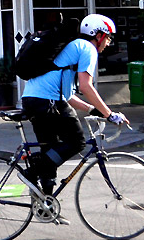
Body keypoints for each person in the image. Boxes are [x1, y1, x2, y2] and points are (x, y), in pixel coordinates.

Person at [19, 14, 130, 223]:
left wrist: (92, 110)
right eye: (107, 37)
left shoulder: (73, 47)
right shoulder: (87, 48)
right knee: (77, 141)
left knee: (51, 152)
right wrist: (110, 114)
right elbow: (86, 86)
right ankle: (31, 172)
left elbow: (69, 96)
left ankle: (46, 206)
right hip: (48, 101)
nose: (108, 43)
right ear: (97, 35)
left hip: (34, 99)